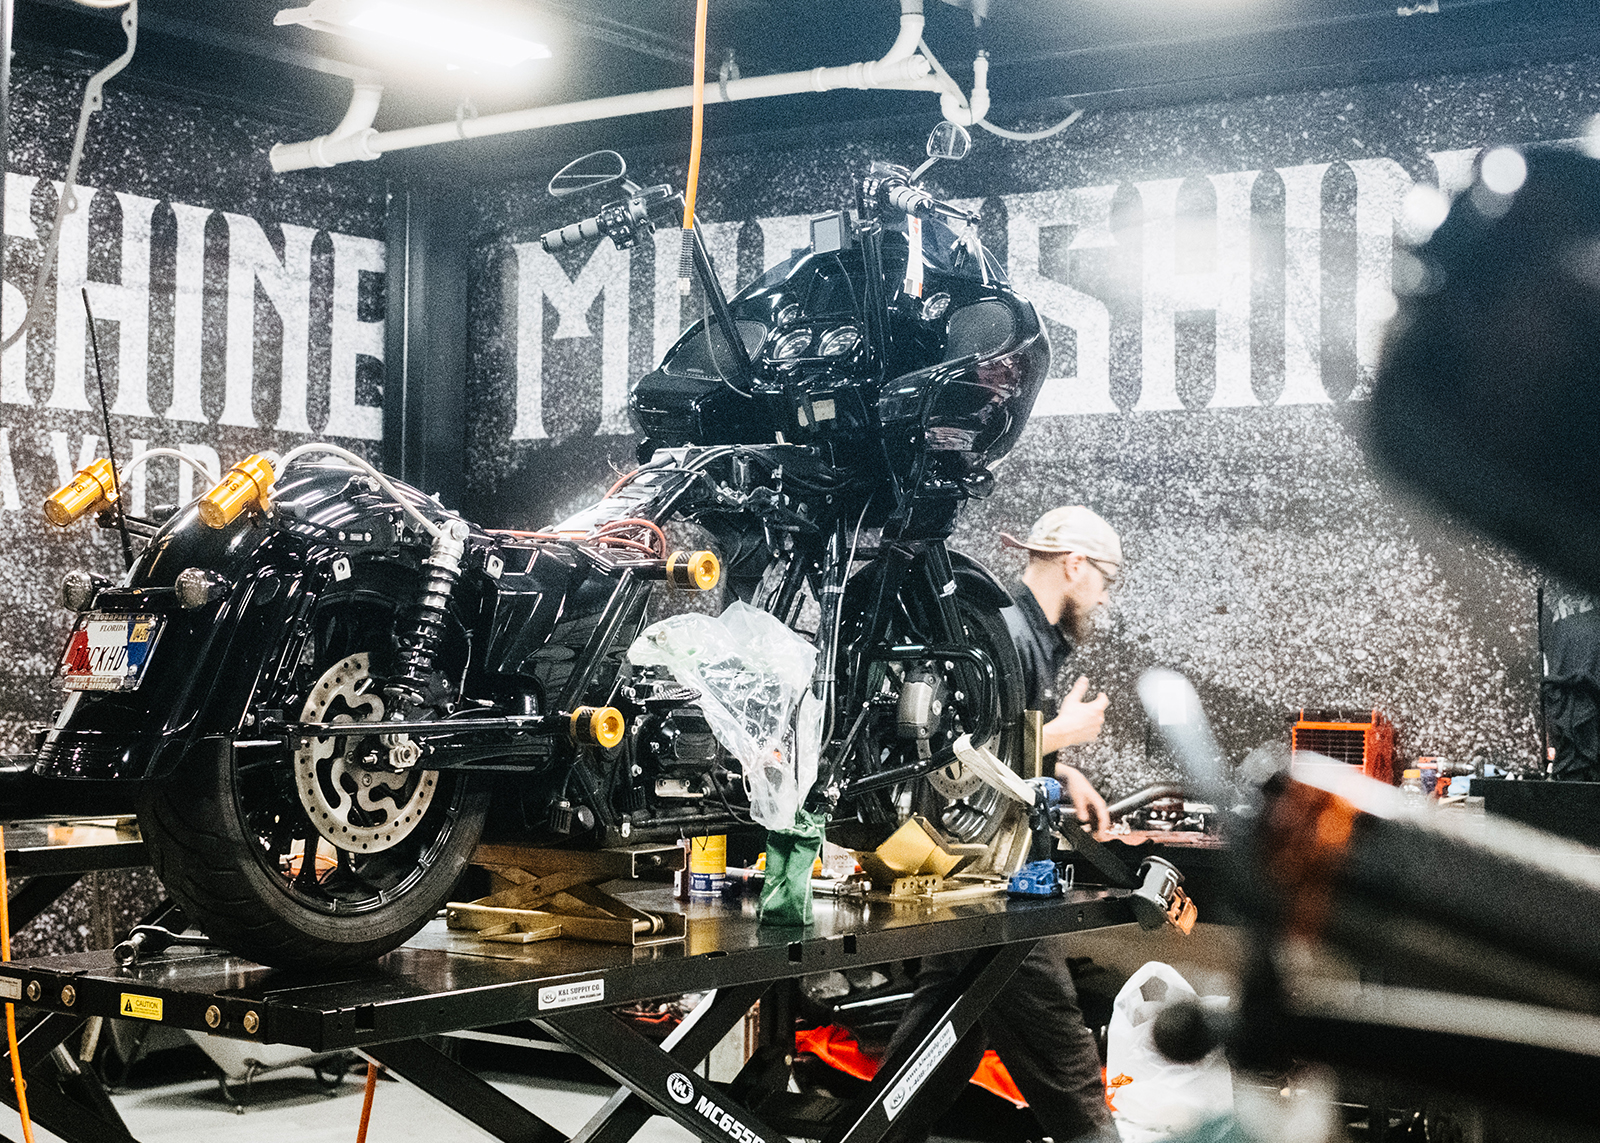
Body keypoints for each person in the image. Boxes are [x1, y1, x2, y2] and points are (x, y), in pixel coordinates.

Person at [882, 505, 1123, 1143]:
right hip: (993, 880)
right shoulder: (1004, 633)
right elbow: (958, 749)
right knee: (1066, 1068)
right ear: (1075, 566)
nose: (1102, 598)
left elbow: (1006, 750)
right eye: (1105, 579)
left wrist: (1063, 768)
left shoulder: (1026, 638)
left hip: (986, 878)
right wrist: (1061, 732)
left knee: (940, 1043)